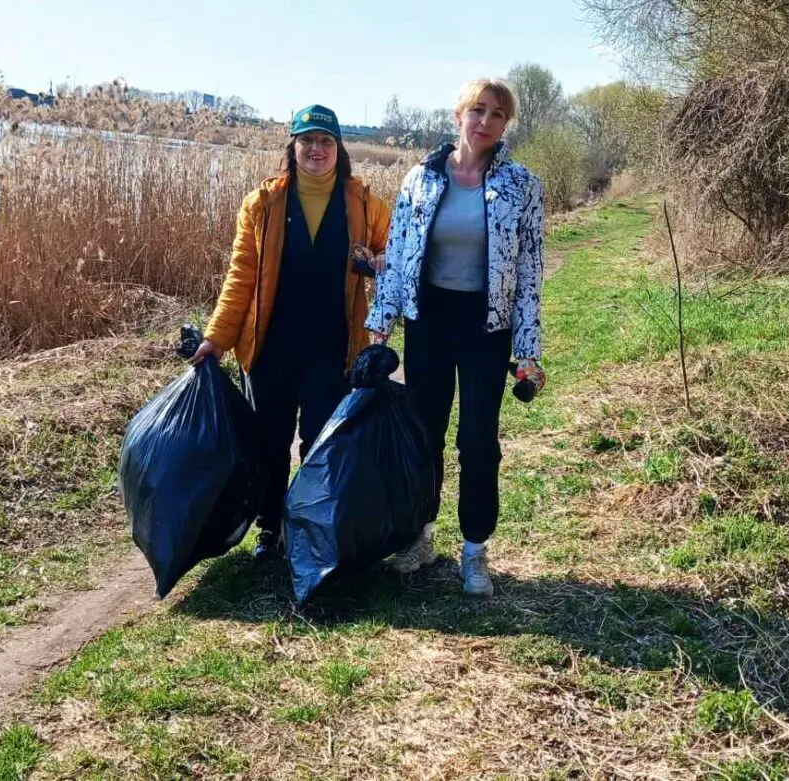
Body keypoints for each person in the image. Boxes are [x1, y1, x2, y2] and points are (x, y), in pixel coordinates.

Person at [366, 78, 546, 596]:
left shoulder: (522, 185)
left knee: (477, 440)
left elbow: (531, 273)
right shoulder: (420, 179)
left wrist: (528, 350)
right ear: (458, 114)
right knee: (424, 433)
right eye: (477, 110)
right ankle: (420, 536)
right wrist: (381, 324)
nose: (485, 121)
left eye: (497, 114)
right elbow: (397, 258)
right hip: (430, 321)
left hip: (487, 328)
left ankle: (475, 550)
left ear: (505, 125)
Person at [193, 104, 391, 560]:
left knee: (321, 439)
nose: (316, 150)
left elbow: (394, 264)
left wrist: (376, 275)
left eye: (326, 141)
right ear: (293, 147)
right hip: (270, 347)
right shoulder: (262, 204)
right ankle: (270, 528)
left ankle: (308, 526)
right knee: (270, 439)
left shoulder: (365, 204)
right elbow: (240, 275)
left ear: (339, 148)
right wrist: (217, 338)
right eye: (307, 141)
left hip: (333, 346)